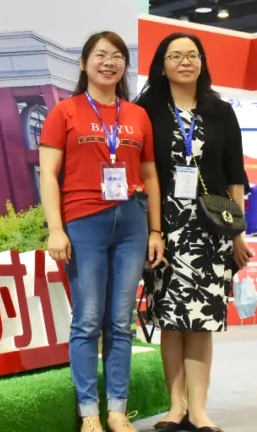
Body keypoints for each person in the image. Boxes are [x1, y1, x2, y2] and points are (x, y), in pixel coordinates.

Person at [39, 31, 165, 432]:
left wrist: (155, 230)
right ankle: (89, 413)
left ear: (124, 66)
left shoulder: (137, 115)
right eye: (100, 55)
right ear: (84, 63)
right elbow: (48, 174)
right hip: (83, 221)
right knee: (88, 319)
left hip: (132, 221)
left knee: (121, 321)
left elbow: (150, 174)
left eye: (117, 56)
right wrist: (55, 229)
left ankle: (117, 411)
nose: (109, 63)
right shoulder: (65, 112)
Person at [136, 32, 252, 432]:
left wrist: (237, 234)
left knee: (202, 320)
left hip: (211, 229)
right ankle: (176, 407)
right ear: (162, 64)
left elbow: (235, 175)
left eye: (192, 55)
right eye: (175, 56)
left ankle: (199, 410)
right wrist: (151, 229)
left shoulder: (220, 110)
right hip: (164, 228)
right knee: (170, 319)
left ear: (202, 61)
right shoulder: (147, 109)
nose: (185, 62)